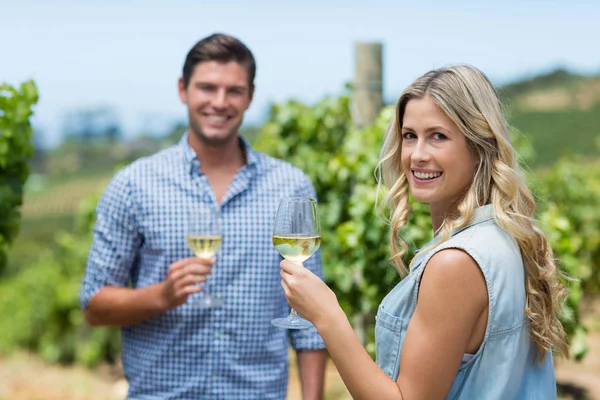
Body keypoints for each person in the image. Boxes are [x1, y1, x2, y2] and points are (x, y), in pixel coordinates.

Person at [279, 64, 569, 399]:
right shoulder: (505, 236)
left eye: (438, 136)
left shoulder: (456, 263)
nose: (417, 155)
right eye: (409, 136)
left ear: (480, 146)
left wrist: (327, 316)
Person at [80, 33, 327, 400]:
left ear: (250, 96)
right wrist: (161, 296)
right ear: (183, 89)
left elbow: (310, 318)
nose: (219, 102)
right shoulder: (133, 185)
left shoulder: (290, 187)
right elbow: (94, 305)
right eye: (207, 88)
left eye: (234, 91)